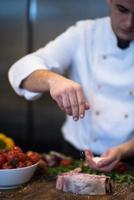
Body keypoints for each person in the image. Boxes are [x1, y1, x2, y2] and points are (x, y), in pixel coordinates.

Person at [8, 0, 134, 171]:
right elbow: (20, 69)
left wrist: (123, 150)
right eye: (122, 10)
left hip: (129, 159)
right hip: (76, 156)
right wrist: (53, 80)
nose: (129, 23)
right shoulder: (84, 34)